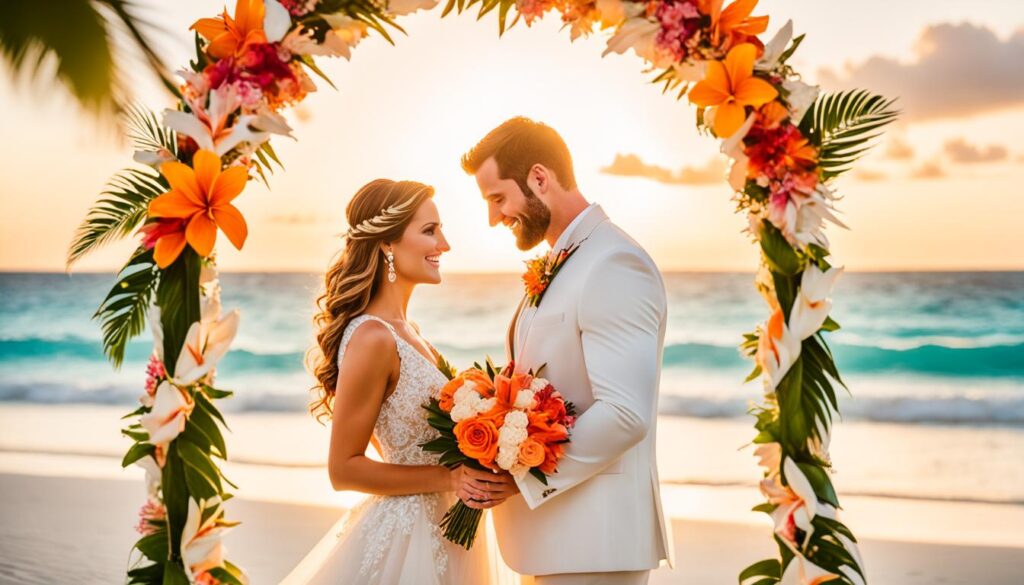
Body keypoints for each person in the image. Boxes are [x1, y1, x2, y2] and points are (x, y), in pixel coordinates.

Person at [461, 117, 675, 585]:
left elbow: (625, 413)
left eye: (498, 198)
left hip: (595, 545)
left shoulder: (613, 262)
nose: (493, 218)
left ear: (539, 177)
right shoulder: (566, 261)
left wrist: (519, 474)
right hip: (555, 543)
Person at [281, 178, 519, 584]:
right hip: (410, 538)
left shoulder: (411, 334)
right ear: (387, 244)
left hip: (446, 529)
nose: (444, 244)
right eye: (430, 231)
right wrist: (448, 478)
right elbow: (344, 469)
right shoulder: (373, 337)